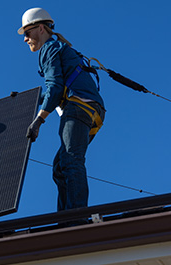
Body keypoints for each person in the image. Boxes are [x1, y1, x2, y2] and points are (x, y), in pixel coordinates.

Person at [19, 8, 106, 211]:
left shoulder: (49, 49)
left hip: (79, 107)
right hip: (92, 110)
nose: (25, 39)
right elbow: (57, 89)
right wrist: (28, 101)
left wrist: (39, 120)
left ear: (40, 28)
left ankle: (75, 216)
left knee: (70, 160)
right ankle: (66, 216)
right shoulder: (61, 48)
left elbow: (55, 88)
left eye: (27, 33)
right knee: (60, 167)